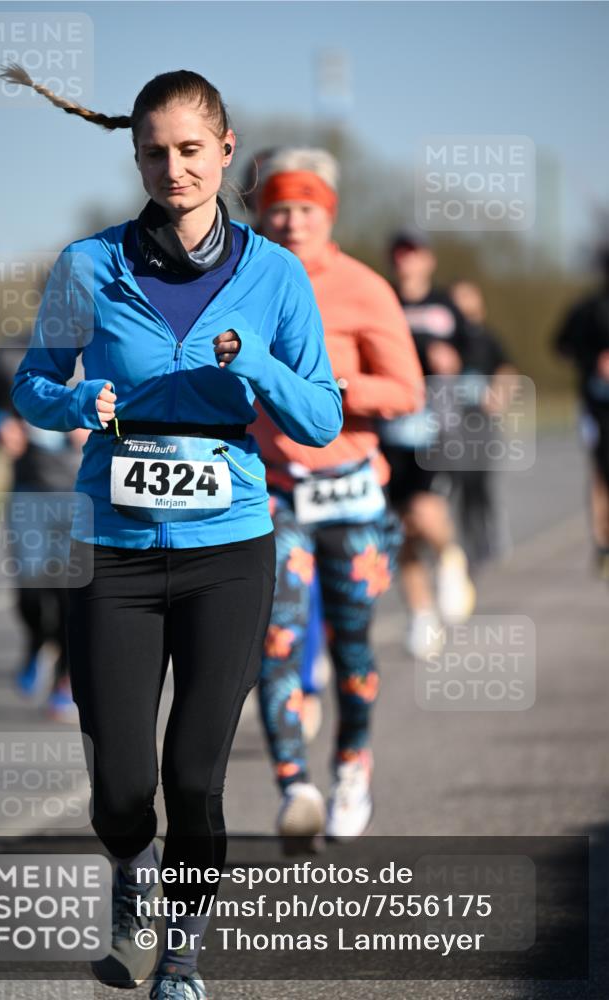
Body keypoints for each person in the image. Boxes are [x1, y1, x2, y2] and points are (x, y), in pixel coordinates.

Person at [0, 64, 342, 999]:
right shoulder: (87, 265)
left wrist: (261, 366)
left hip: (227, 552)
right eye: (154, 151)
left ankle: (180, 951)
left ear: (226, 153)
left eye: (191, 149)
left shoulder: (274, 275)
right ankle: (128, 876)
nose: (172, 167)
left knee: (193, 775)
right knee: (121, 783)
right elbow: (30, 382)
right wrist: (74, 399)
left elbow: (320, 418)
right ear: (137, 155)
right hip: (111, 549)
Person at [251, 149, 423, 846]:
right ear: (261, 214)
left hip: (351, 496)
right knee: (275, 642)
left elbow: (406, 391)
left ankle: (352, 765)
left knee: (353, 650)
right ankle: (294, 786)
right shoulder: (242, 284)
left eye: (305, 209)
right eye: (278, 209)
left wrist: (328, 390)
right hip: (273, 493)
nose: (291, 222)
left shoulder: (363, 288)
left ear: (328, 215)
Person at [378, 228, 476, 660]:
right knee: (401, 529)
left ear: (427, 259)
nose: (407, 261)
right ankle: (421, 613)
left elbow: (479, 354)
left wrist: (457, 364)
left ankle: (451, 557)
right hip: (389, 428)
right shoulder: (382, 300)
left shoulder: (446, 305)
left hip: (437, 427)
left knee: (424, 511)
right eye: (399, 253)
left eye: (414, 253)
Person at [0, 338, 86, 722]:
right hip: (30, 491)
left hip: (84, 494)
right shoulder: (10, 352)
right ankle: (38, 640)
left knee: (75, 593)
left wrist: (106, 426)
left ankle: (65, 680)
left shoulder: (107, 347)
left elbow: (140, 404)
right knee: (31, 590)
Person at [449, 280, 518, 569]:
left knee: (483, 483)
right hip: (453, 422)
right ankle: (466, 542)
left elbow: (507, 370)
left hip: (482, 422)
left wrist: (499, 396)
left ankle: (492, 537)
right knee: (459, 484)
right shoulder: (446, 339)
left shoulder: (488, 338)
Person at [553, 244, 609, 580]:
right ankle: (602, 541)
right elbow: (560, 345)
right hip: (593, 405)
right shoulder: (586, 308)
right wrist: (594, 362)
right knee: (599, 473)